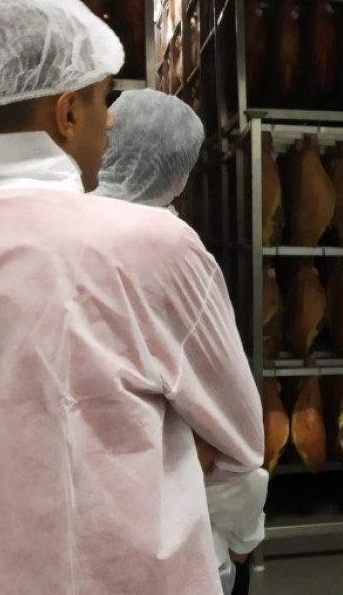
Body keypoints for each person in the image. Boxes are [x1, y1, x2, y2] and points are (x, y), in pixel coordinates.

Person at [0, 0, 265, 594]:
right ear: (67, 111)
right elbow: (239, 436)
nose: (113, 122)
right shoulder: (150, 243)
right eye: (105, 99)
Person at [93, 88, 269, 595]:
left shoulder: (41, 228)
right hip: (166, 549)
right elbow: (235, 427)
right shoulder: (169, 247)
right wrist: (243, 530)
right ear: (182, 175)